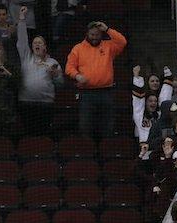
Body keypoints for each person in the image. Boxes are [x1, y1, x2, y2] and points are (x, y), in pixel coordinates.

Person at [65, 20, 126, 139]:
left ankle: (106, 151)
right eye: (92, 35)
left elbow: (122, 42)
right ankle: (88, 153)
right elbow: (69, 67)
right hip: (86, 93)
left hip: (106, 92)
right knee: (86, 125)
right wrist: (77, 75)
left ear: (101, 34)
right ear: (87, 34)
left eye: (97, 35)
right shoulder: (78, 48)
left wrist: (107, 29)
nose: (94, 37)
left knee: (107, 126)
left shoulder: (108, 46)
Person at [15, 5, 62, 134]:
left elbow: (60, 84)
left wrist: (56, 75)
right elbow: (22, 41)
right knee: (28, 134)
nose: (36, 44)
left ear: (45, 47)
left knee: (43, 135)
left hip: (45, 104)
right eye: (34, 42)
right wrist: (22, 19)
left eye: (40, 42)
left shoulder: (53, 63)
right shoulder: (26, 58)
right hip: (26, 103)